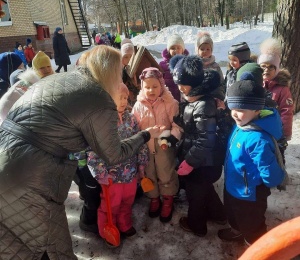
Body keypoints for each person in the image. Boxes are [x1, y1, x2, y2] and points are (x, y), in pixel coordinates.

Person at [0, 45, 165, 259]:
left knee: (17, 244)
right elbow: (113, 154)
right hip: (30, 177)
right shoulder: (98, 98)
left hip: (6, 157)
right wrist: (145, 135)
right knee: (43, 248)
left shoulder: (58, 79)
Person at [218, 74, 285, 245]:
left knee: (252, 224)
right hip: (235, 186)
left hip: (250, 194)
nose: (235, 114)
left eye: (241, 110)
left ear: (256, 110)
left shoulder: (257, 138)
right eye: (233, 108)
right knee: (234, 215)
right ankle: (237, 231)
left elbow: (270, 171)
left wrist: (270, 181)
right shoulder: (242, 125)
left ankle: (255, 246)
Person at [169, 55, 227, 237]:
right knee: (204, 189)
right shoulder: (194, 100)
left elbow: (205, 139)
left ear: (194, 83)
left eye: (183, 84)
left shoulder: (203, 105)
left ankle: (197, 225)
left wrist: (189, 162)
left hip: (203, 164)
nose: (179, 88)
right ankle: (219, 214)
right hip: (203, 162)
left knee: (196, 197)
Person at [87, 83, 149, 246]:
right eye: (119, 97)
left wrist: (141, 165)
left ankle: (124, 224)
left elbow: (139, 142)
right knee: (110, 206)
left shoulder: (131, 119)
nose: (123, 101)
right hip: (111, 176)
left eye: (125, 97)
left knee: (127, 201)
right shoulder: (102, 122)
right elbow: (93, 150)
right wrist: (100, 173)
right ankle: (108, 230)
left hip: (130, 174)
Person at [132, 67, 181, 223]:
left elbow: (177, 125)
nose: (151, 90)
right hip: (145, 147)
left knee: (166, 172)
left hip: (163, 146)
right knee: (149, 173)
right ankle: (154, 198)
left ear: (161, 85)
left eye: (155, 86)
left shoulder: (170, 102)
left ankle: (168, 198)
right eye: (147, 87)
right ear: (142, 87)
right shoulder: (138, 105)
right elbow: (134, 126)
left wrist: (171, 137)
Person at [0, 51, 54, 124]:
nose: (46, 70)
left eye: (48, 66)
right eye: (42, 68)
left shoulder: (54, 79)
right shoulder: (29, 86)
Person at [257, 38, 294, 142]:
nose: (266, 70)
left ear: (276, 69)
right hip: (258, 129)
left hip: (275, 130)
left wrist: (284, 134)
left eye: (270, 67)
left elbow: (286, 111)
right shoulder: (256, 84)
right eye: (263, 66)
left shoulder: (282, 89)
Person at [160, 34, 189, 102]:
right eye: (173, 48)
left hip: (184, 99)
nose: (176, 50)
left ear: (182, 50)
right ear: (168, 50)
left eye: (178, 48)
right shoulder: (162, 65)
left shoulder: (187, 63)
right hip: (168, 99)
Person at [121, 39, 139, 106]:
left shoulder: (139, 69)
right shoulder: (120, 72)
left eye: (131, 56)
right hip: (127, 101)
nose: (129, 59)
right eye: (126, 57)